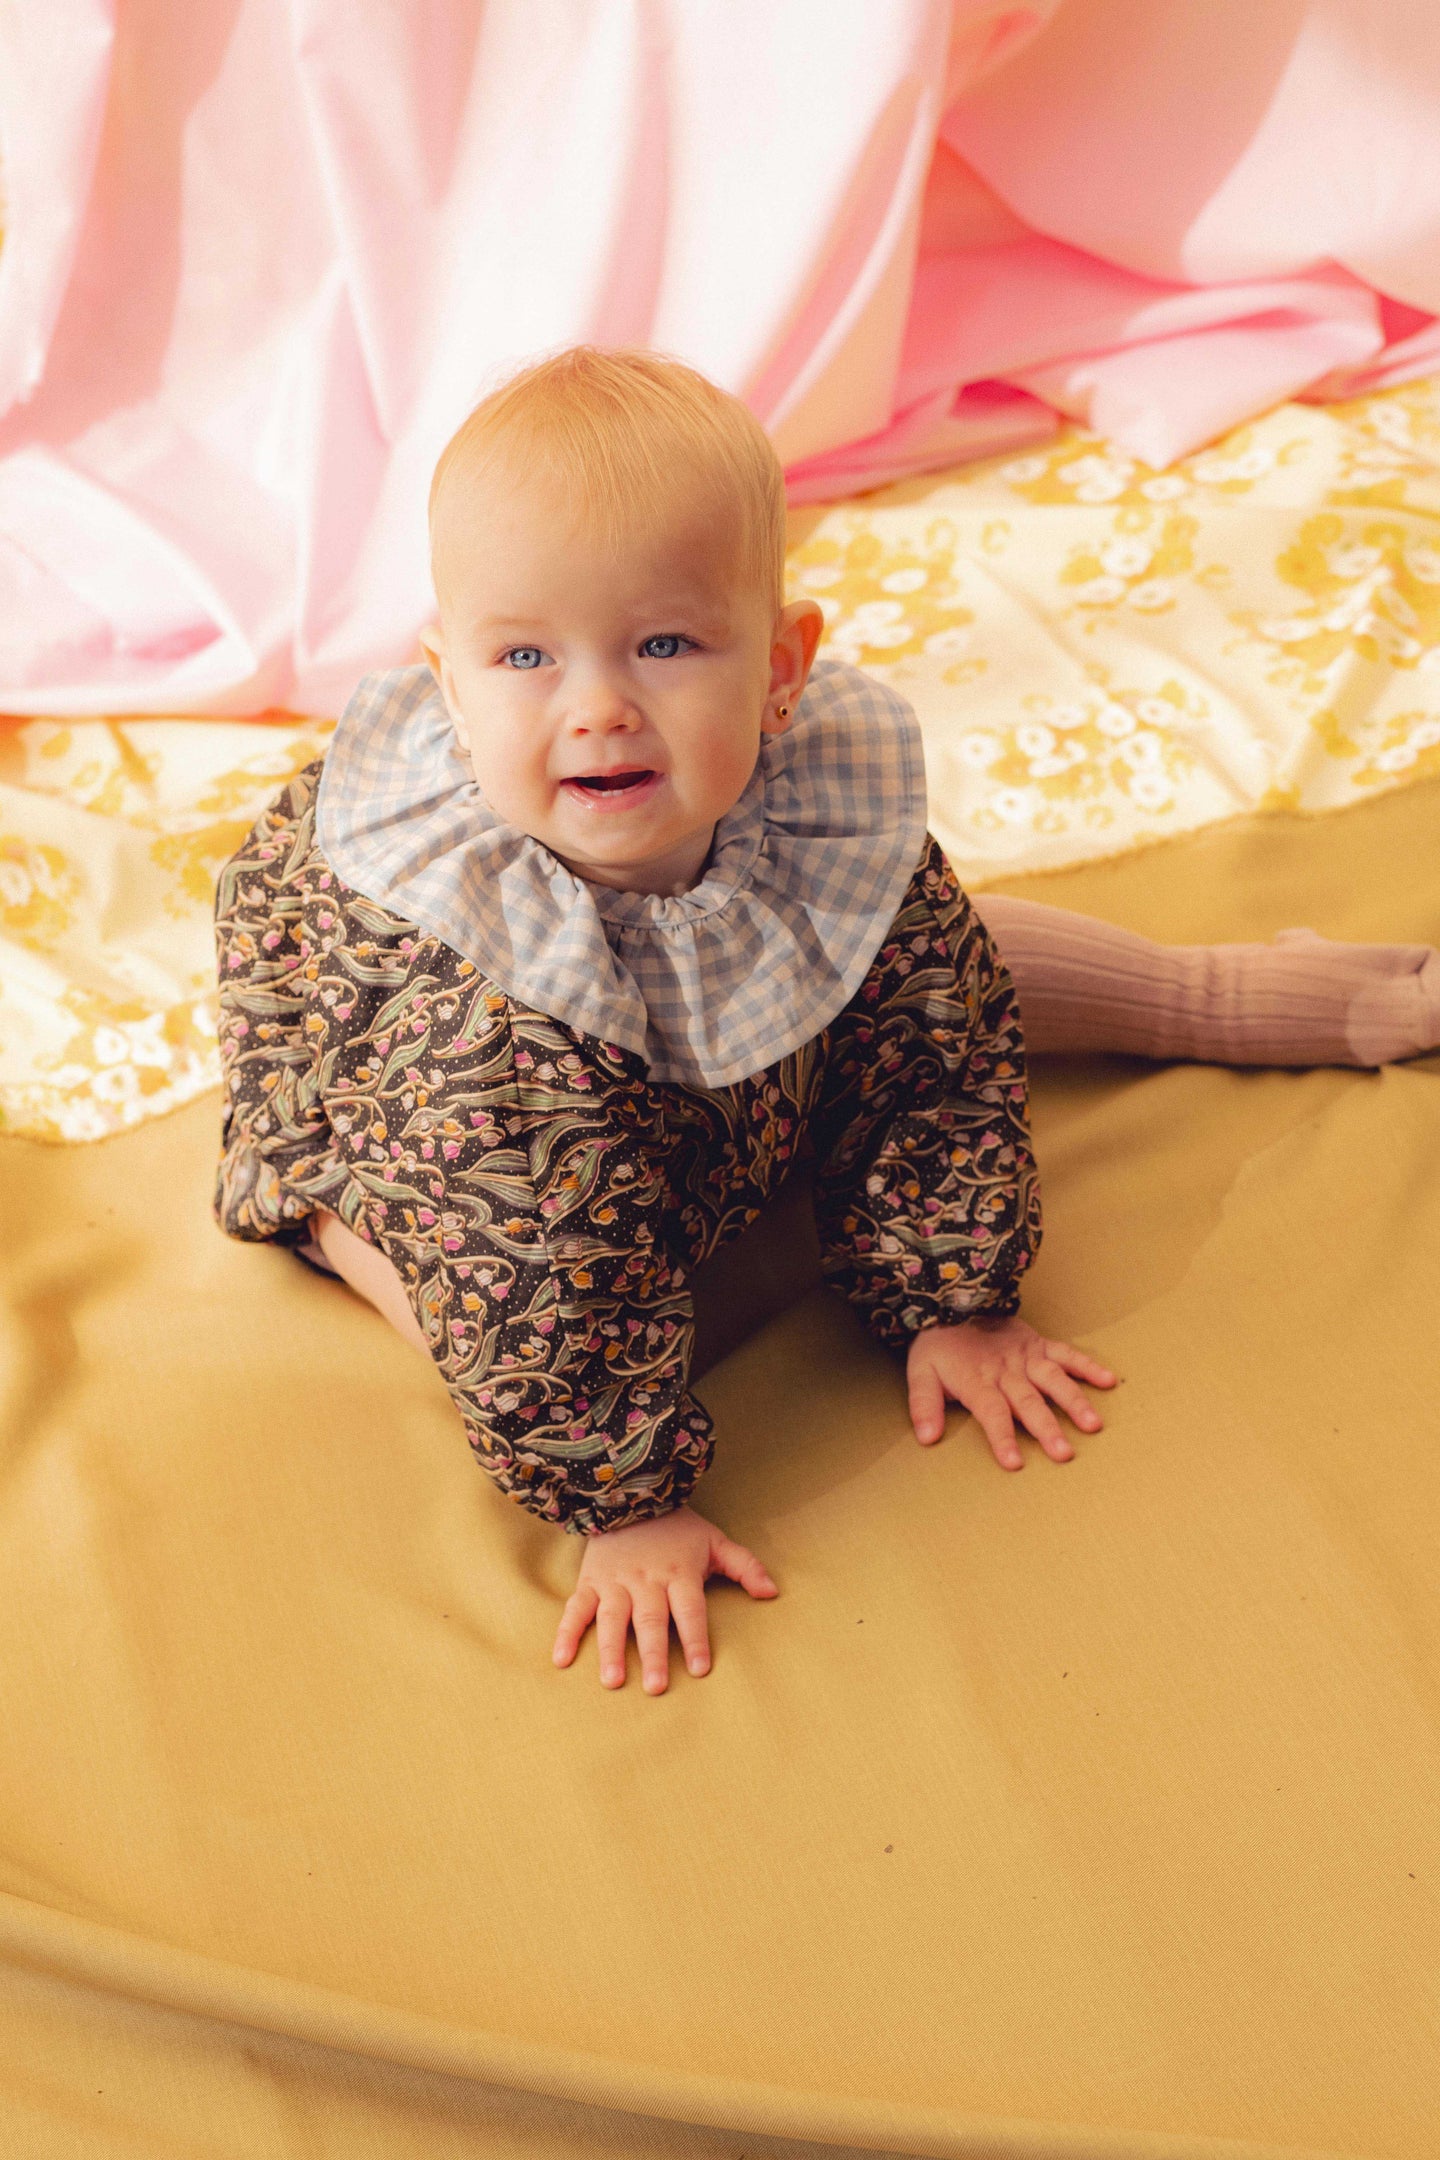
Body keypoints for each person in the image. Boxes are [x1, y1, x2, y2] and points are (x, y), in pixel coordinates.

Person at [213, 348, 1439, 1698]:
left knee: (927, 961)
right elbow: (541, 1294)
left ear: (783, 662)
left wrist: (953, 1297)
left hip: (698, 1062)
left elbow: (935, 1025)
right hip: (425, 1155)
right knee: (556, 1282)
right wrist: (625, 1507)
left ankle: (1208, 992)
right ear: (449, 683)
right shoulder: (482, 1026)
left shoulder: (800, 806)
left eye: (666, 643)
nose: (599, 705)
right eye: (525, 657)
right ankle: (332, 1223)